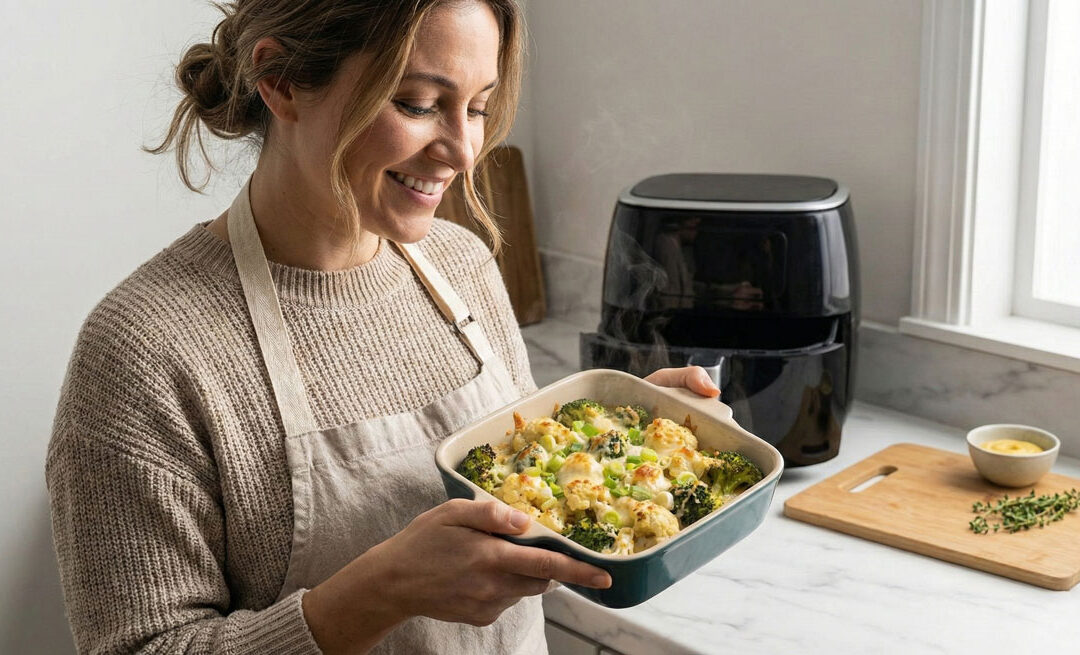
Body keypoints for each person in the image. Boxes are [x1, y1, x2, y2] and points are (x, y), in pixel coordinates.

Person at [45, 1, 721, 653]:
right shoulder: (143, 351)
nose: (462, 150)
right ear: (280, 82)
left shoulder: (461, 263)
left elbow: (517, 488)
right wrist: (382, 590)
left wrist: (614, 439)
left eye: (479, 106)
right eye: (419, 104)